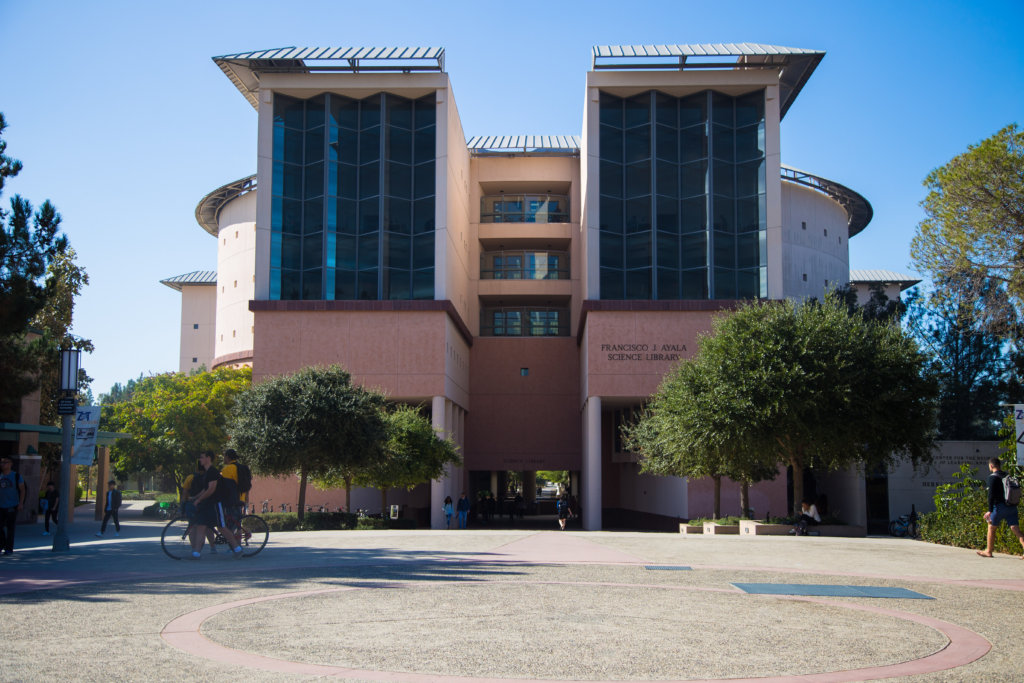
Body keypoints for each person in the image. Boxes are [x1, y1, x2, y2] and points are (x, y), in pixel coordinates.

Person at [189, 451, 242, 560]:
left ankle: (237, 549)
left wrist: (199, 499)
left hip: (215, 504)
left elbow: (211, 489)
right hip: (207, 505)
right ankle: (196, 553)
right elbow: (205, 489)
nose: (200, 460)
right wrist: (195, 497)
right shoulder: (207, 473)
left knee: (222, 527)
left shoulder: (213, 472)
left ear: (208, 458)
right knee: (201, 527)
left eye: (202, 457)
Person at [977, 457, 1024, 559]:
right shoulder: (1007, 475)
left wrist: (990, 510)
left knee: (991, 527)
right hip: (1011, 506)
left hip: (999, 507)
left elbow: (991, 495)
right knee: (1015, 529)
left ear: (991, 466)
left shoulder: (993, 477)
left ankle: (988, 551)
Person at [0, 456, 26, 555]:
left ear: (10, 464)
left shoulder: (16, 476)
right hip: (1, 505)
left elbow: (22, 490)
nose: (3, 464)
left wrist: (20, 503)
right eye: (1, 462)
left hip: (12, 505)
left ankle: (8, 548)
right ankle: (2, 543)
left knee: (10, 528)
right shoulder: (0, 476)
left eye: (5, 462)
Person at [219, 449, 250, 518]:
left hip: (231, 500)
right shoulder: (242, 468)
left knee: (229, 524)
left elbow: (225, 486)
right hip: (241, 499)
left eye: (224, 456)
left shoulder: (227, 469)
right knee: (237, 522)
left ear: (227, 457)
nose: (223, 458)